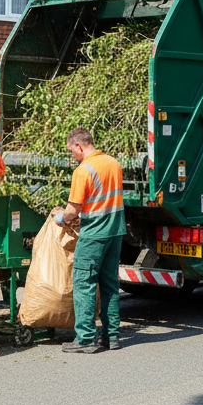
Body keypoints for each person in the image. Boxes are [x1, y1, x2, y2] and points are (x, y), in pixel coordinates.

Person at [56, 127, 124, 353]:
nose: (72, 156)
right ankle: (111, 336)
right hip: (115, 233)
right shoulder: (113, 163)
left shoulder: (83, 171)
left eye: (71, 151)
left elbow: (72, 211)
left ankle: (85, 338)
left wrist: (60, 218)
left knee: (84, 284)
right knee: (110, 285)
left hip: (94, 235)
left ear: (79, 146)